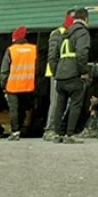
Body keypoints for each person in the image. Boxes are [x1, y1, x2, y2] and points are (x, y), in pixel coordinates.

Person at [50, 8, 91, 144]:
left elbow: (54, 56)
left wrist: (56, 72)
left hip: (61, 76)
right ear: (85, 19)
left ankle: (57, 134)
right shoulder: (82, 32)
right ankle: (69, 134)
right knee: (76, 104)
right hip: (74, 74)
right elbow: (82, 54)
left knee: (60, 104)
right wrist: (84, 71)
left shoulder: (64, 33)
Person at [43, 10, 75, 141]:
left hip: (68, 73)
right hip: (56, 73)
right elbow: (52, 55)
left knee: (65, 102)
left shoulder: (72, 34)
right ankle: (49, 129)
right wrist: (56, 73)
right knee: (56, 102)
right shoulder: (57, 33)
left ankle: (58, 129)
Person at [1, 25, 37, 141]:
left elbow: (4, 70)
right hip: (28, 85)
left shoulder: (11, 50)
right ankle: (21, 129)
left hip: (13, 85)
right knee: (23, 109)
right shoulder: (33, 49)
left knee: (13, 109)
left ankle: (15, 131)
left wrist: (3, 85)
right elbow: (37, 68)